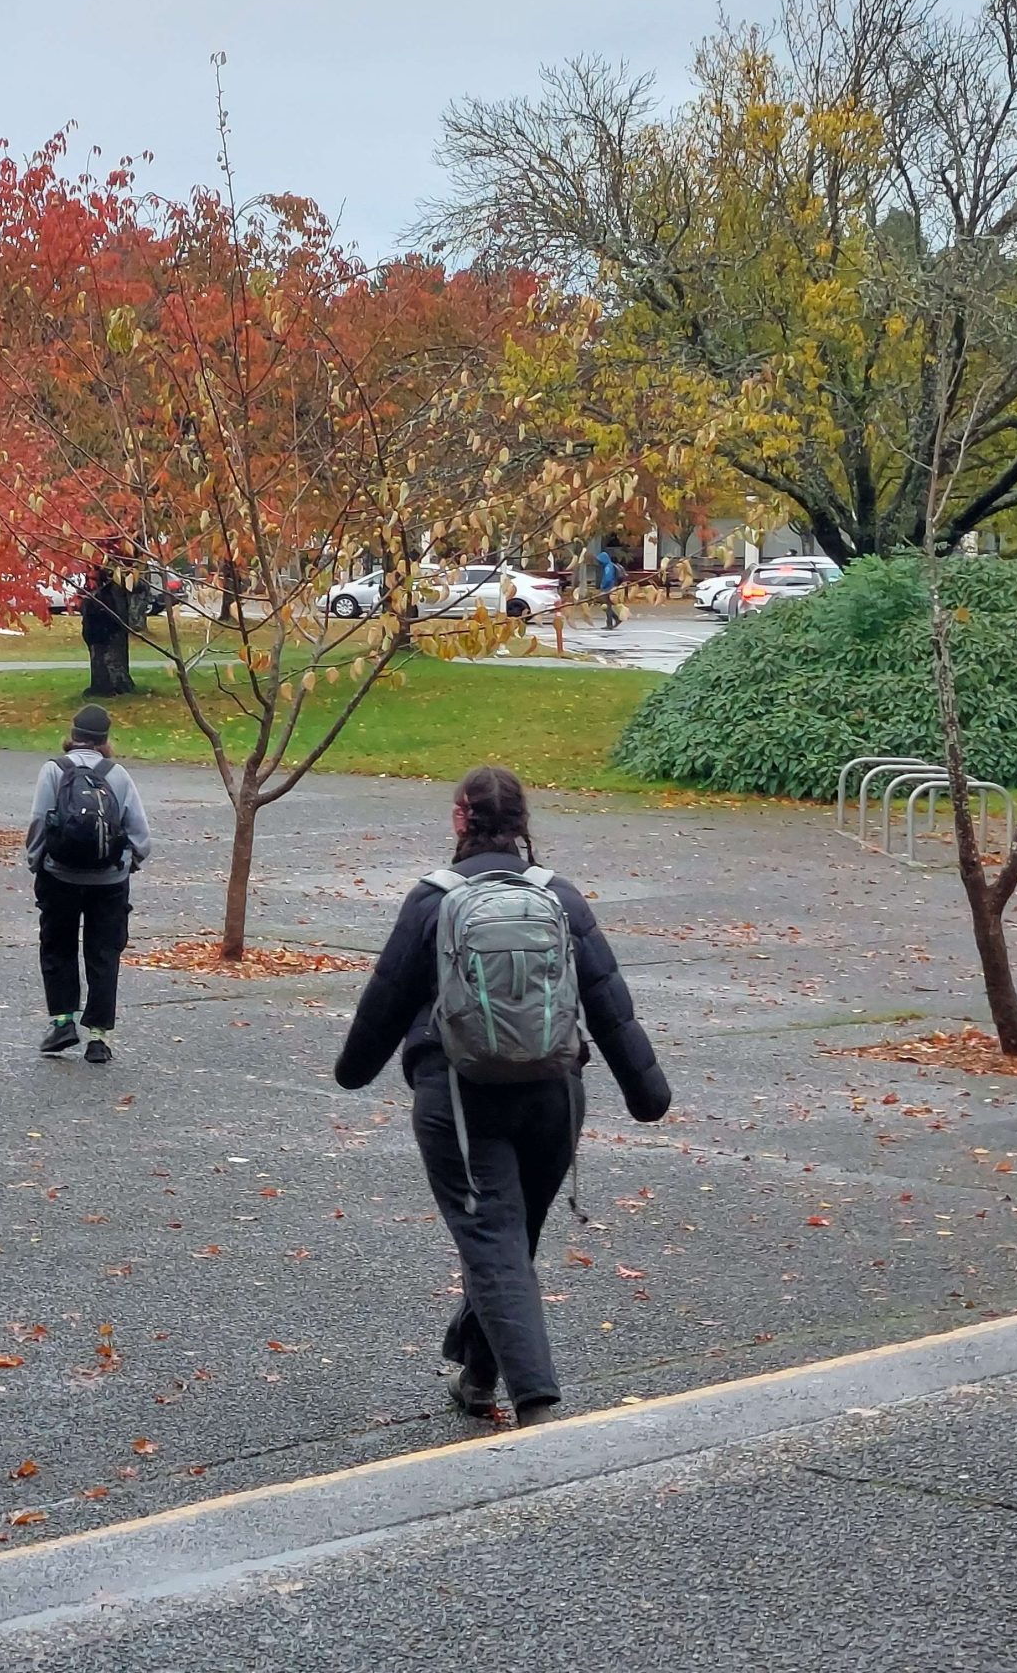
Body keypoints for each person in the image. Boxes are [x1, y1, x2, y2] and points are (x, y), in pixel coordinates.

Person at [333, 765, 671, 1427]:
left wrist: (352, 1070)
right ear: (522, 822)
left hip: (461, 1096)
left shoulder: (432, 900)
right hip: (555, 1096)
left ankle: (537, 1400)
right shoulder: (560, 896)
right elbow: (609, 1003)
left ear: (460, 817)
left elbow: (385, 1001)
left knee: (493, 1239)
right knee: (506, 1243)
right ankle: (478, 1373)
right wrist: (647, 1092)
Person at [25, 704, 151, 1064]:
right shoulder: (118, 775)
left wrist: (38, 863)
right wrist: (129, 864)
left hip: (59, 875)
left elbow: (39, 822)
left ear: (73, 734)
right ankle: (99, 1037)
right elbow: (140, 834)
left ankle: (63, 1021)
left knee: (57, 947)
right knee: (104, 952)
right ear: (105, 740)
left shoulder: (53, 771)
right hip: (109, 878)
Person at [596, 544, 622, 630]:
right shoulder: (609, 566)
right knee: (608, 606)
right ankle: (615, 619)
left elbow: (608, 578)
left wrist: (603, 586)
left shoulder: (608, 567)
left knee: (607, 606)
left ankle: (610, 623)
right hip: (610, 587)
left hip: (608, 588)